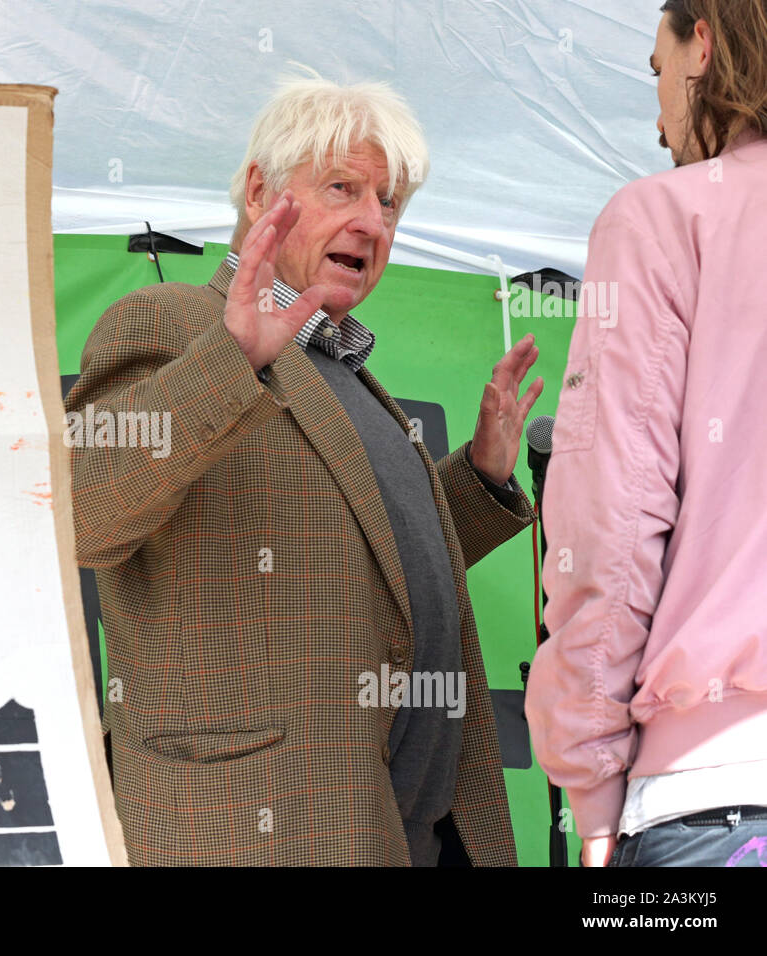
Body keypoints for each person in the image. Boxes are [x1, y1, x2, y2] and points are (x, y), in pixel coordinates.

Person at [66, 75, 544, 866]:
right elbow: (86, 508)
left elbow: (372, 568)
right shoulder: (174, 322)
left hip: (405, 832)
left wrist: (481, 480)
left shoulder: (351, 376)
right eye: (342, 188)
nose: (373, 220)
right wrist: (230, 360)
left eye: (389, 203)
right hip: (259, 831)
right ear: (259, 193)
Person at [526, 0, 767, 868]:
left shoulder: (658, 219)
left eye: (656, 69)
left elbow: (612, 529)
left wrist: (589, 787)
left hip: (719, 793)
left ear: (702, 44)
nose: (658, 114)